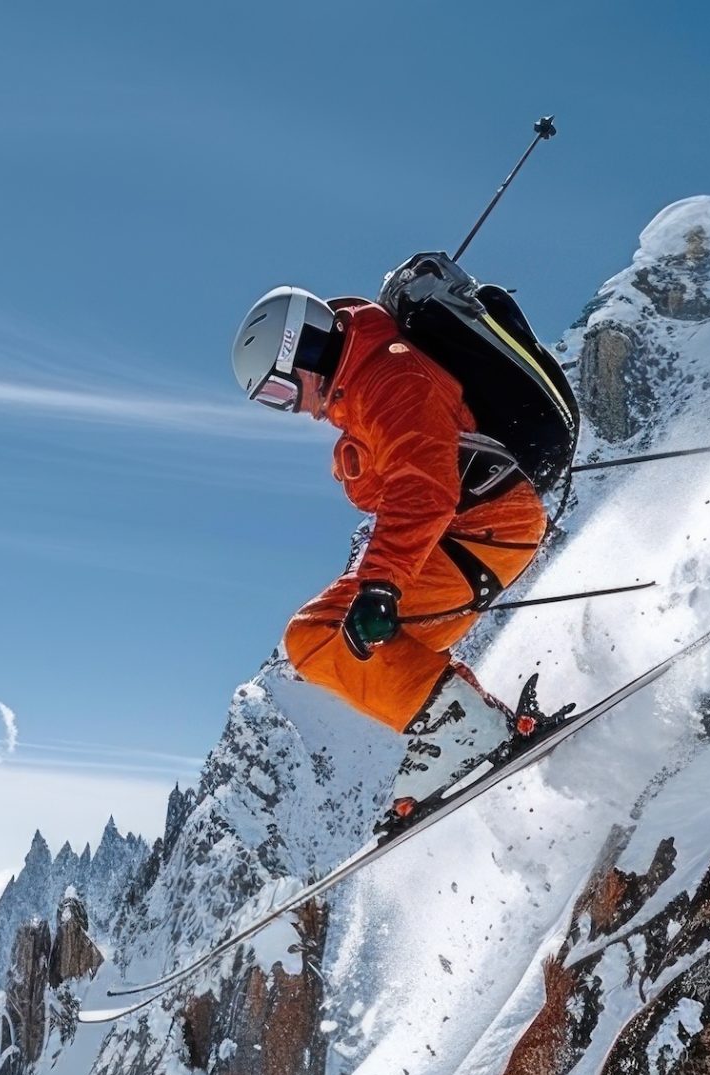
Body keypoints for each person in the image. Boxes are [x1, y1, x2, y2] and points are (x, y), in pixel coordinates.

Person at [233, 285, 558, 823]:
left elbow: (424, 488)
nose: (293, 409)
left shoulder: (390, 377)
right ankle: (476, 723)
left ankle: (466, 730)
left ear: (305, 352)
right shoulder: (368, 386)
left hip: (483, 528)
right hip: (475, 529)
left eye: (280, 393)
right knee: (370, 653)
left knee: (318, 636)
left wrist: (381, 585)